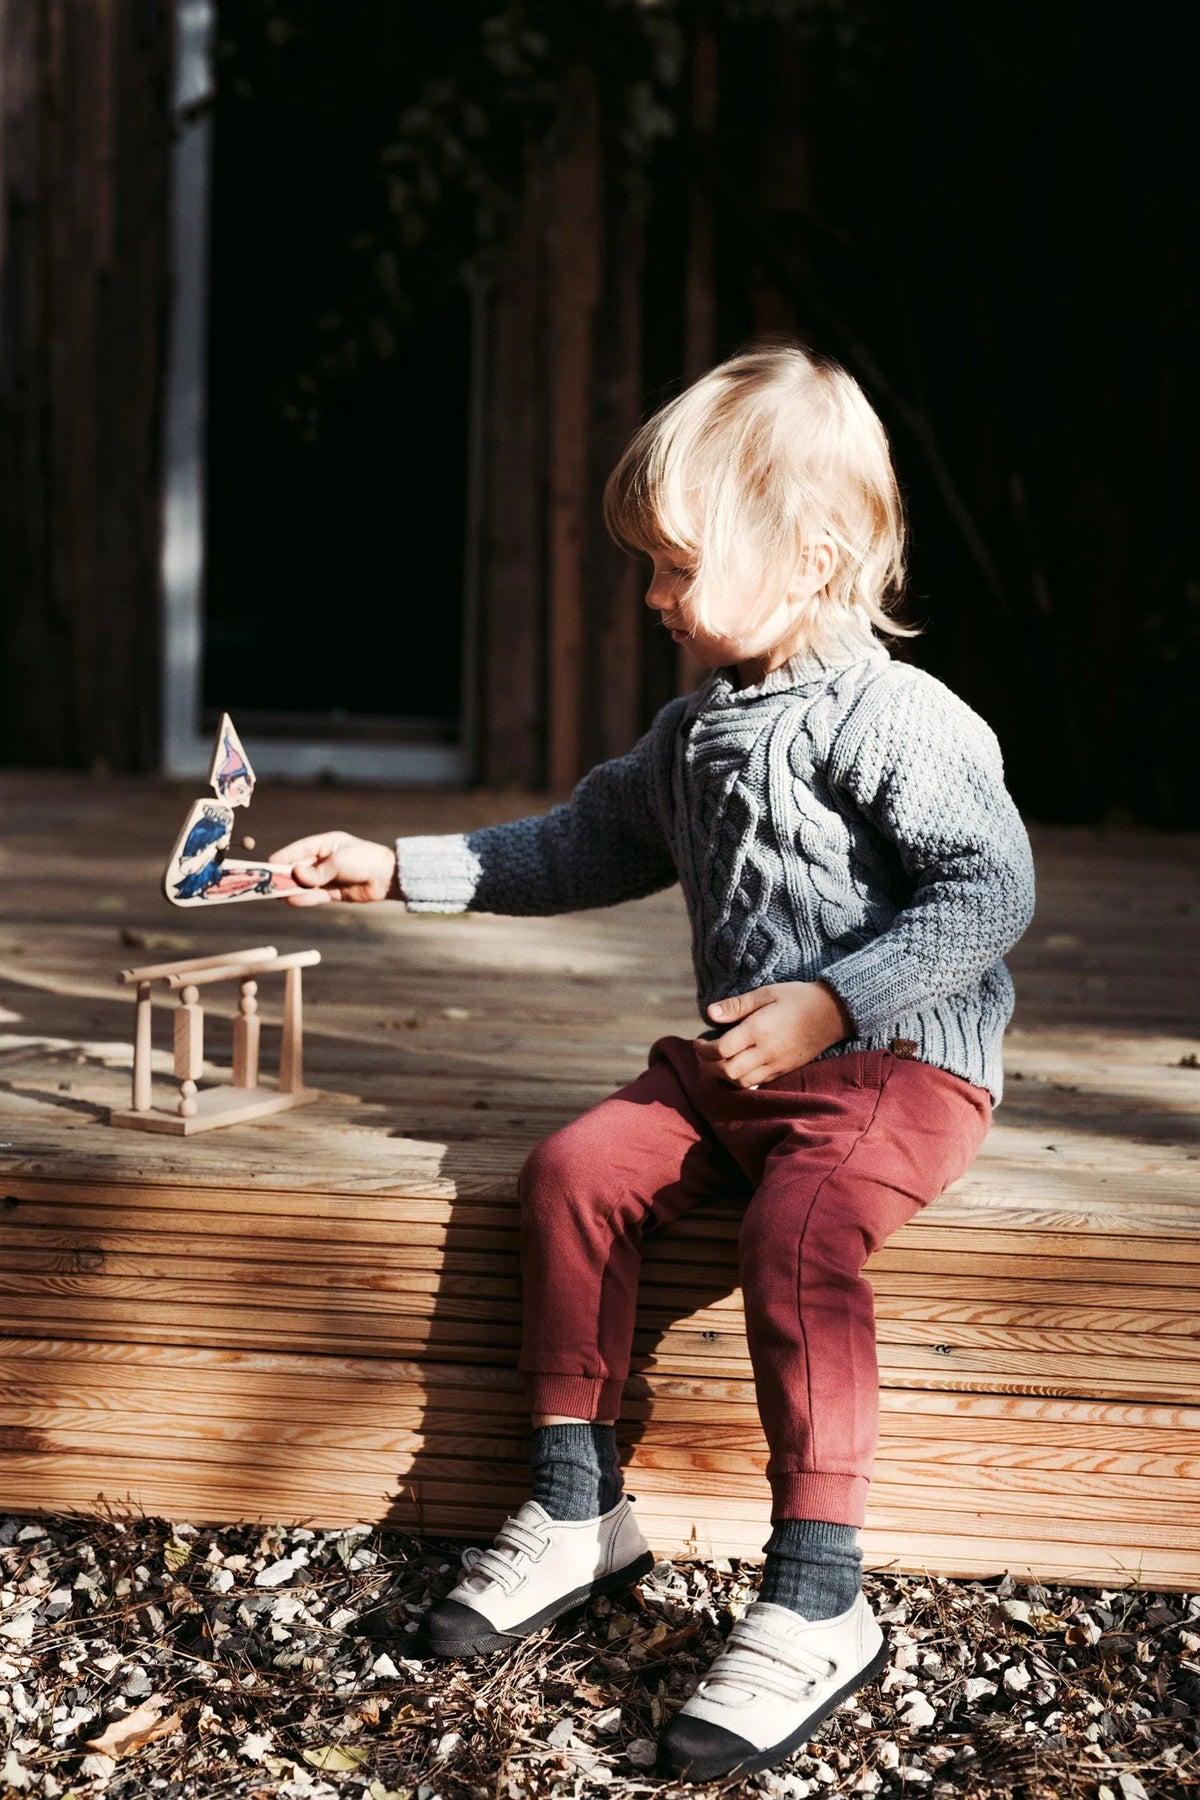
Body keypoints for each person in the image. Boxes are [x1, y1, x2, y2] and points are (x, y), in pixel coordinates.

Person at [270, 342, 1036, 1783]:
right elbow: (573, 843)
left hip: (896, 1068)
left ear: (810, 557)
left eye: (677, 568)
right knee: (571, 1172)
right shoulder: (694, 735)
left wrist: (834, 996)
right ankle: (577, 1500)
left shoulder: (901, 722)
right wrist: (395, 866)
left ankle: (818, 1594)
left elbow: (989, 894)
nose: (654, 599)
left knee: (800, 1233)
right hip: (749, 1060)